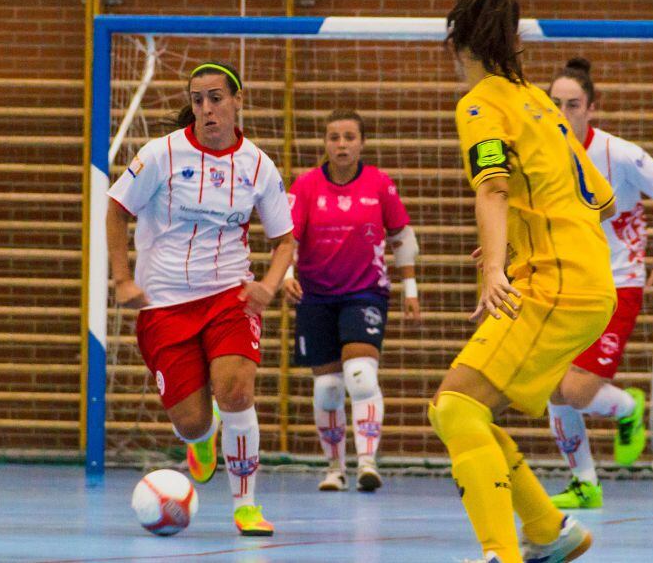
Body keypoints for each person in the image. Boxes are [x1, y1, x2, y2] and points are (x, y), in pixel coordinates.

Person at [429, 0, 618, 563]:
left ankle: (500, 554)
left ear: (459, 45)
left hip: (555, 281)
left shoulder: (481, 104)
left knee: (456, 408)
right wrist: (510, 244)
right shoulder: (542, 103)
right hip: (586, 275)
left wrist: (495, 272)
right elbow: (601, 197)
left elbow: (492, 187)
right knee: (467, 409)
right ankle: (548, 531)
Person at [105, 61, 294, 537]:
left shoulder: (257, 165)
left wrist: (269, 285)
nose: (206, 109)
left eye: (215, 98)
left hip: (229, 295)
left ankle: (246, 505)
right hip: (164, 304)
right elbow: (115, 208)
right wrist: (122, 279)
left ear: (236, 101)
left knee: (236, 392)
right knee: (190, 423)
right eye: (197, 100)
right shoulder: (160, 154)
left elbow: (285, 239)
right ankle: (203, 436)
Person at [545, 58, 653, 509]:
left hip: (618, 282)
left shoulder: (618, 153)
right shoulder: (541, 152)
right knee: (550, 386)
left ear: (592, 108)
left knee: (574, 391)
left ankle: (628, 408)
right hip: (565, 281)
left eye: (573, 105)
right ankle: (585, 485)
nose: (563, 112)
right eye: (555, 104)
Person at [282, 109, 421, 492]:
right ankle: (334, 467)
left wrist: (410, 290)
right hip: (317, 297)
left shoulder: (379, 184)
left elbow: (402, 239)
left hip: (365, 293)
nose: (341, 145)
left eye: (348, 137)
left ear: (361, 142)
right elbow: (288, 240)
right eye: (334, 137)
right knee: (327, 389)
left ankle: (367, 463)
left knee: (361, 376)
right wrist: (288, 276)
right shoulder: (307, 186)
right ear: (325, 143)